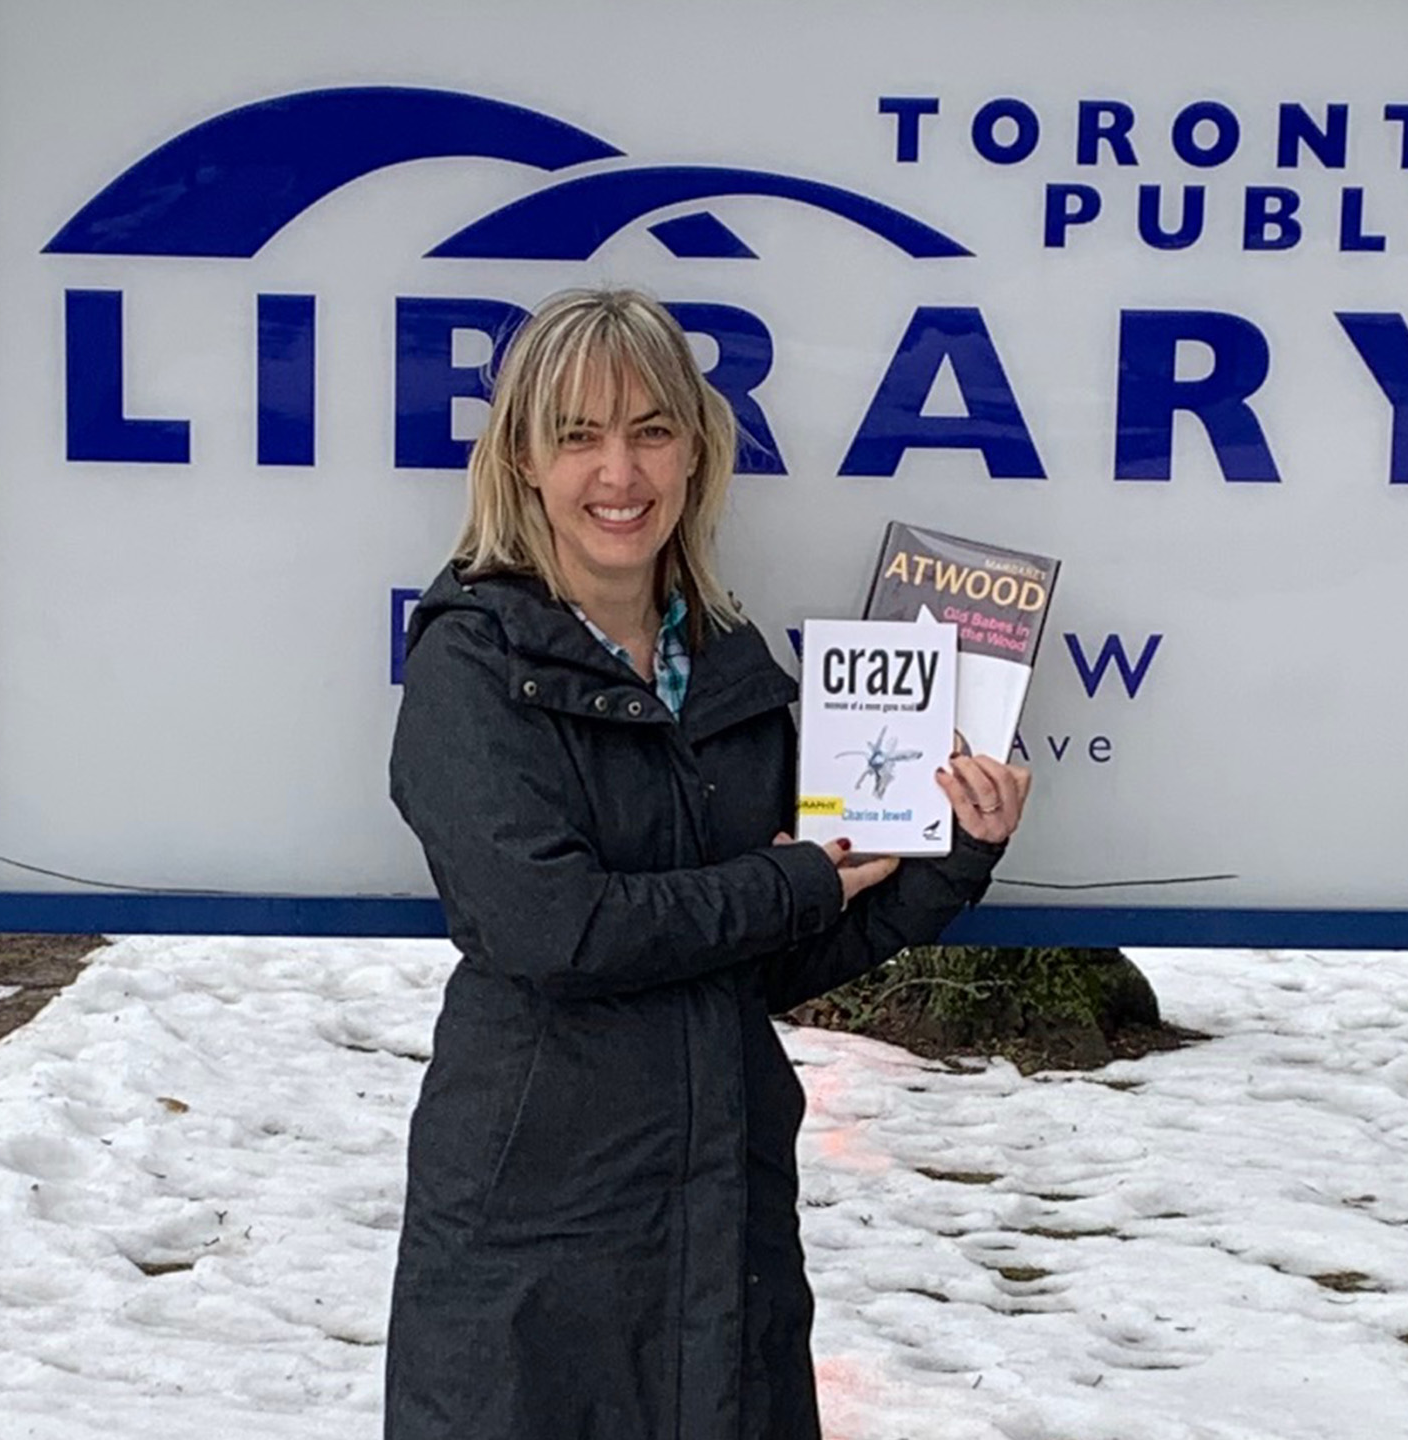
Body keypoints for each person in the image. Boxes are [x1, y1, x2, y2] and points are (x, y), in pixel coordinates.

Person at [384, 286, 1033, 1440]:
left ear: (695, 452)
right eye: (577, 436)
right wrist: (788, 880)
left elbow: (765, 954)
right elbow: (548, 928)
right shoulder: (473, 662)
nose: (617, 473)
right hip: (534, 1214)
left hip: (717, 1212)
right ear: (523, 462)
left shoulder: (729, 667)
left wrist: (950, 853)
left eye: (648, 430)